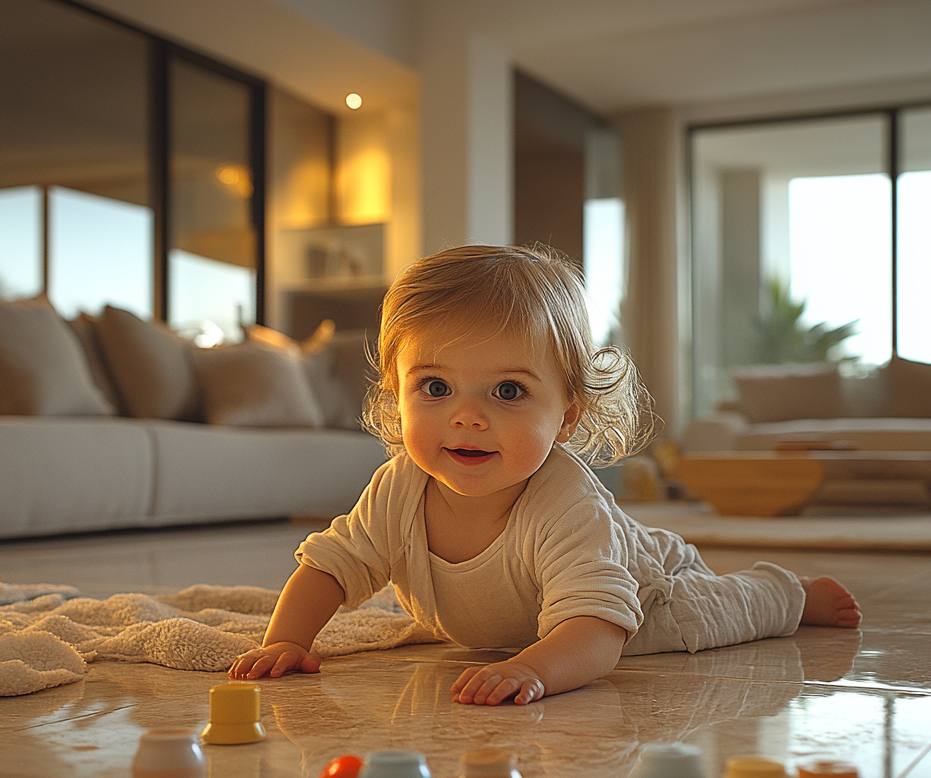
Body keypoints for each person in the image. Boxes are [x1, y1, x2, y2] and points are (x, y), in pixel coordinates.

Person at [229, 244, 861, 704]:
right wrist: (286, 640)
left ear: (567, 415)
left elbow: (596, 632)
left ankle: (789, 591)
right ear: (396, 393)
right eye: (436, 387)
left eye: (507, 390)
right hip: (537, 610)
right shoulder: (399, 486)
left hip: (642, 592)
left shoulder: (563, 501)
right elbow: (331, 566)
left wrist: (534, 668)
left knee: (710, 617)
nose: (467, 418)